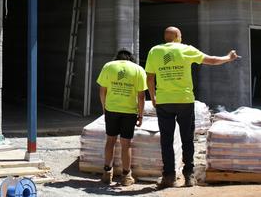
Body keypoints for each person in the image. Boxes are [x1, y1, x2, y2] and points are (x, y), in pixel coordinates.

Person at [145, 26, 238, 189]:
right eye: (180, 35)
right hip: (184, 100)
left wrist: (153, 98)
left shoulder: (154, 51)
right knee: (187, 139)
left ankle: (169, 176)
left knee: (166, 141)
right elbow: (212, 60)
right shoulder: (186, 50)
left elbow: (150, 78)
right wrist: (228, 58)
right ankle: (189, 176)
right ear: (177, 37)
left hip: (164, 102)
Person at [97, 48, 147, 186]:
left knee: (110, 141)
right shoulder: (138, 69)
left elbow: (102, 90)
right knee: (126, 144)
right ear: (131, 59)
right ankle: (126, 176)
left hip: (111, 110)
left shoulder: (108, 66)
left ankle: (107, 173)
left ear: (117, 58)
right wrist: (141, 115)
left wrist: (104, 108)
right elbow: (141, 96)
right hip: (129, 112)